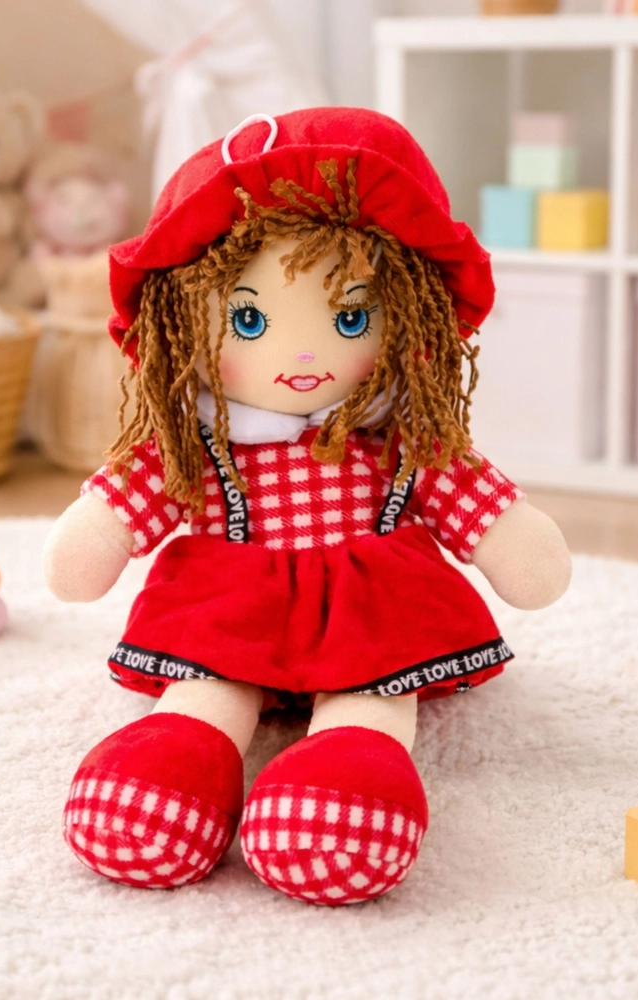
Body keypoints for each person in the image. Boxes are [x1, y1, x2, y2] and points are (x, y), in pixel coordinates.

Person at [44, 108, 571, 906]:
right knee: (207, 690)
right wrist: (97, 533)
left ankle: (347, 783)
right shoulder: (200, 441)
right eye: (247, 319)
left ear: (411, 316)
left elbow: (486, 517)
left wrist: (514, 540)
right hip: (229, 608)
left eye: (350, 317)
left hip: (370, 609)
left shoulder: (399, 438)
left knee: (369, 698)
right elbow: (113, 519)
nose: (298, 356)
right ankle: (175, 766)